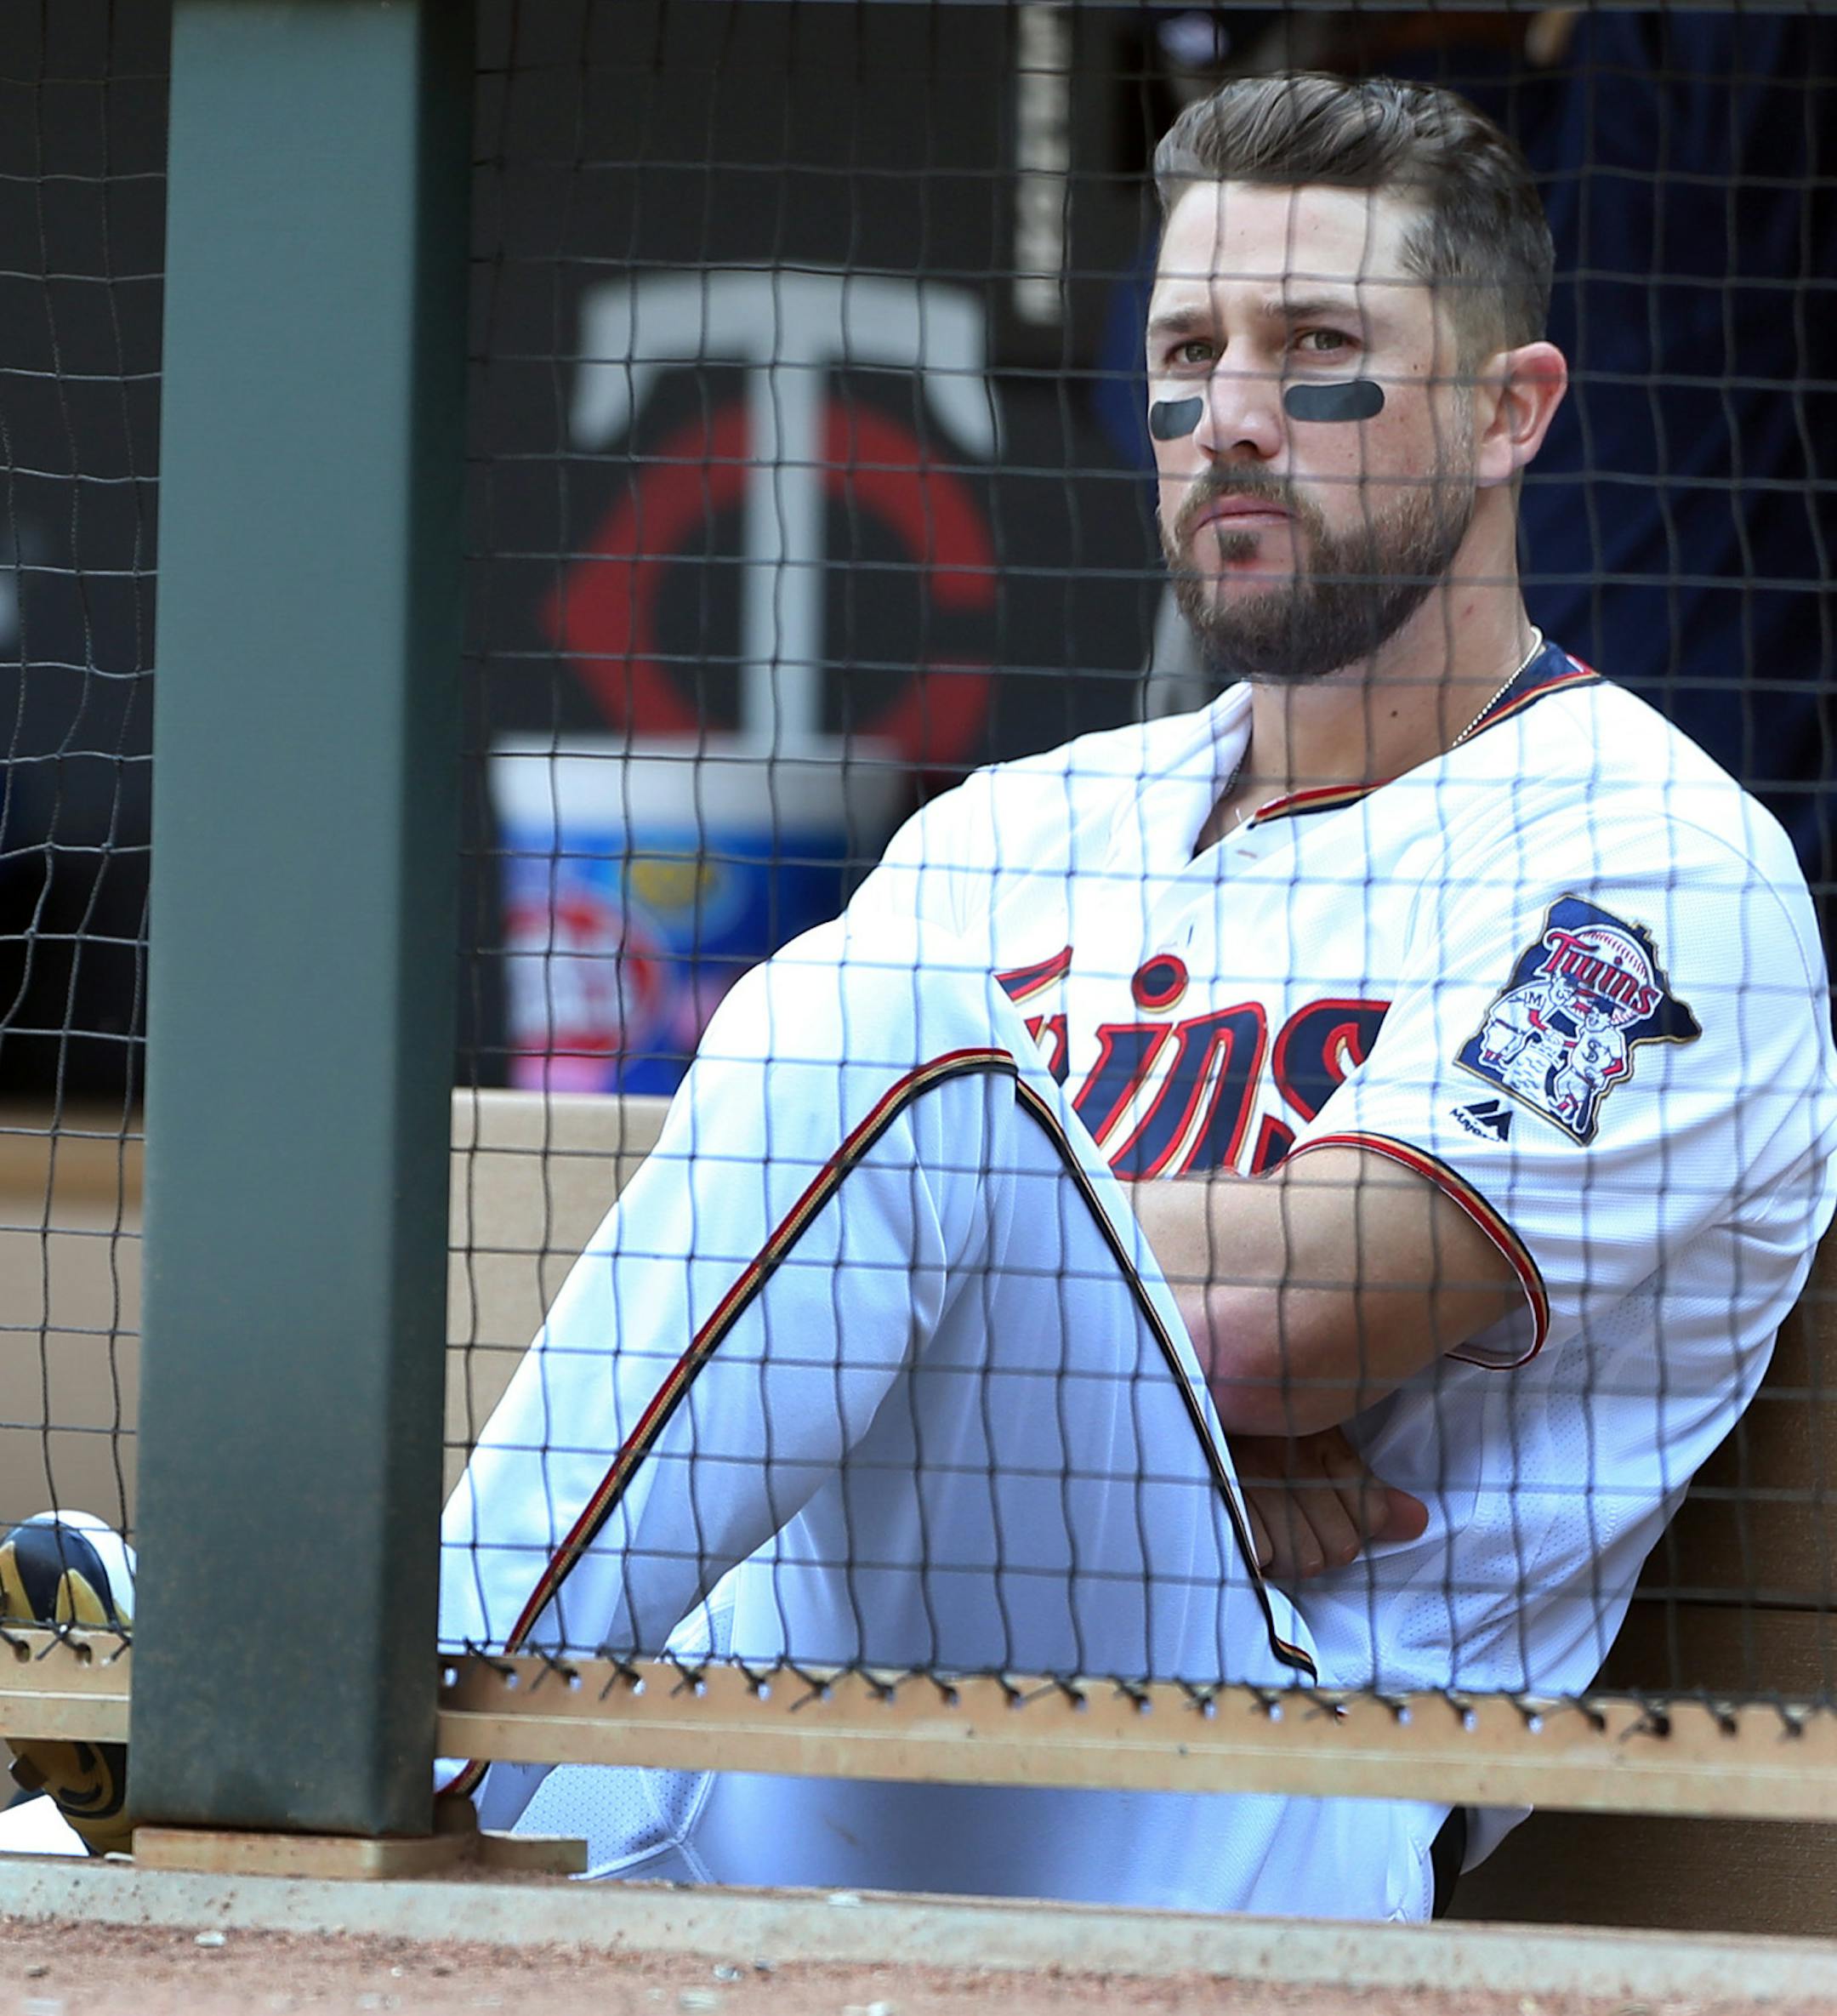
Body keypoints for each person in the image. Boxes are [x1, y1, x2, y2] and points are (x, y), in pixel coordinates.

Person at [7, 71, 1834, 1924]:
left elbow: (1292, 1321)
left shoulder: (1653, 861)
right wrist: (1065, 1350)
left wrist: (1021, 1289)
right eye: (1189, 351)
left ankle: (343, 1723)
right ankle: (264, 1749)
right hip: (809, 1719)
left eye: (1323, 351)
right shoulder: (1022, 826)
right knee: (856, 1075)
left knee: (886, 1067)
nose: (1238, 419)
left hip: (1275, 1778)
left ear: (1512, 411)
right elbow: (811, 1286)